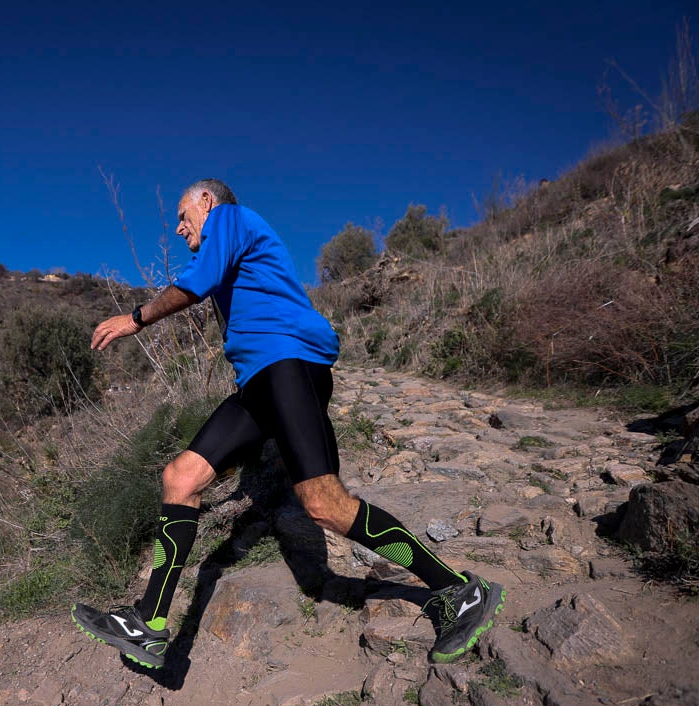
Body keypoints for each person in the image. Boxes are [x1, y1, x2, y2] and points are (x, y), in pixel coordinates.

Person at [71, 179, 505, 669]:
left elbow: (196, 282)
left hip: (288, 364)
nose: (177, 226)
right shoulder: (232, 244)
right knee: (180, 478)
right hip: (257, 385)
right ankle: (148, 622)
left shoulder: (229, 220)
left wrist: (136, 318)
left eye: (182, 213)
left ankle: (459, 591)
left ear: (208, 202)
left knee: (326, 506)